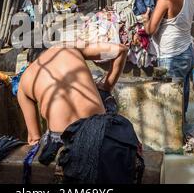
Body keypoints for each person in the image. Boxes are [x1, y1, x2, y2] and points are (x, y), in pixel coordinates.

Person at [17, 42, 144, 184]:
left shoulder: (25, 80)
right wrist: (106, 87)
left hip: (61, 139)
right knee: (105, 100)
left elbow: (34, 140)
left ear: (31, 63)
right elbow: (121, 50)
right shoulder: (66, 47)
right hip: (100, 129)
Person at [143, 0, 194, 117]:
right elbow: (170, 5)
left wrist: (146, 20)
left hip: (172, 57)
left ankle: (173, 140)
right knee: (182, 102)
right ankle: (183, 133)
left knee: (170, 107)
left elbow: (151, 30)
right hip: (187, 52)